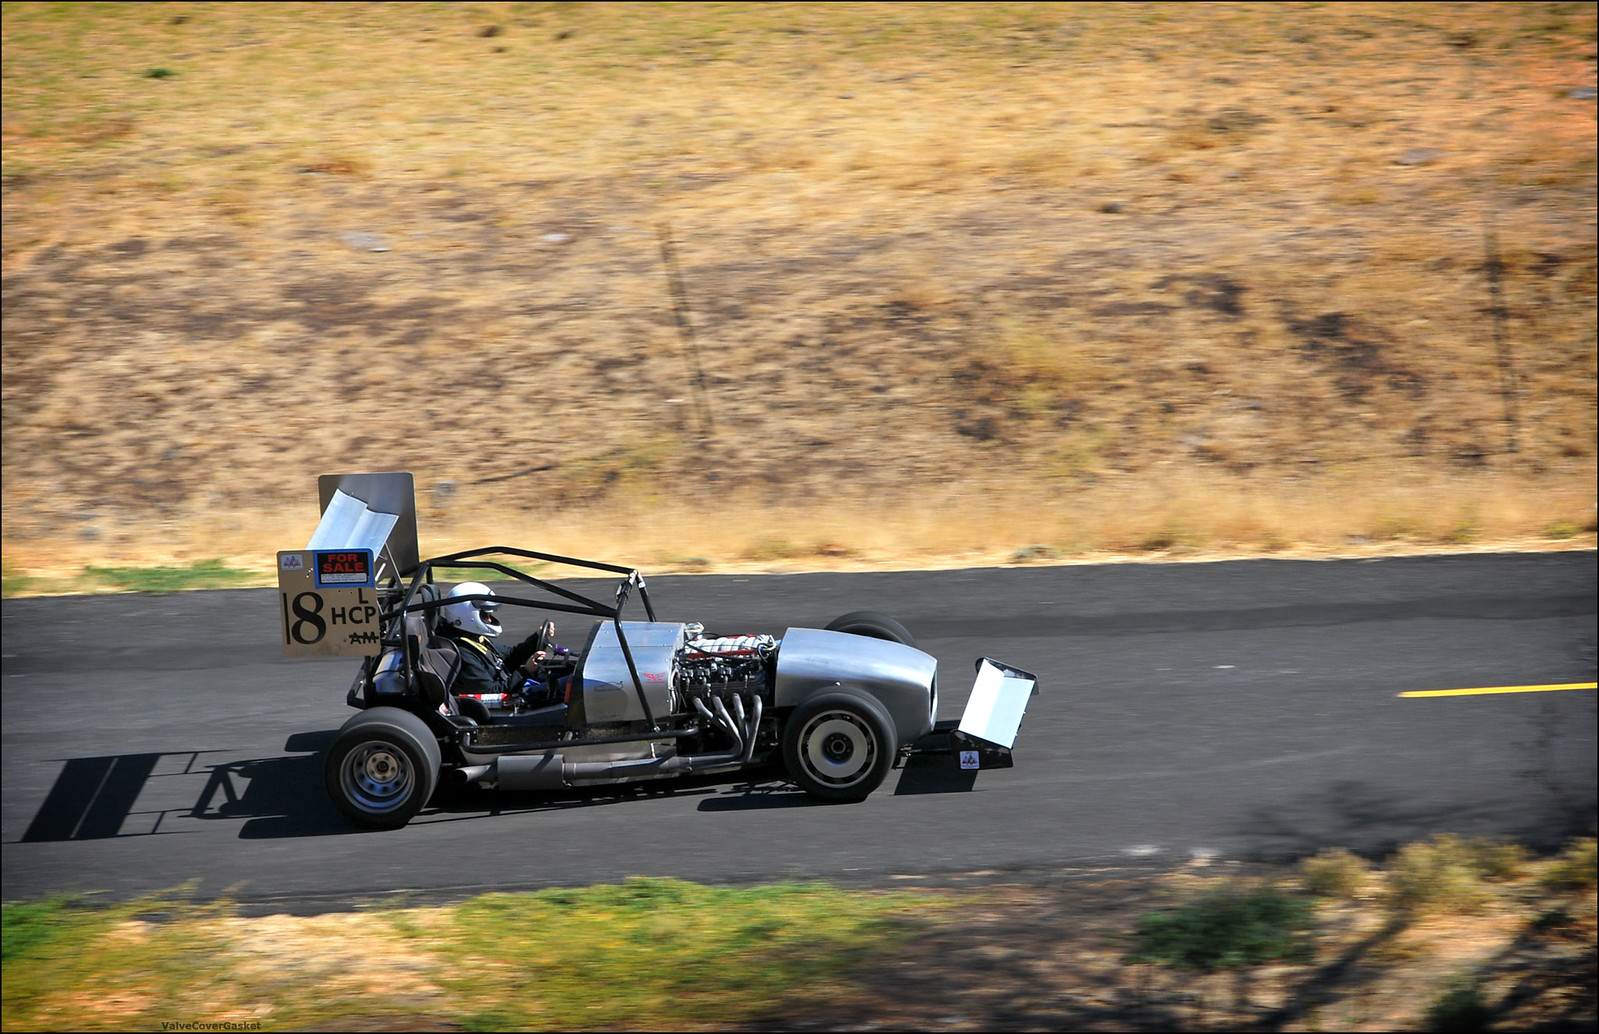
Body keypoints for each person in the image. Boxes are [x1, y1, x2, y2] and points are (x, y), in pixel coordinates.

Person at [435, 582, 558, 703]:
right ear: (467, 616)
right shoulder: (463, 653)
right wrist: (525, 671)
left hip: (509, 685)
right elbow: (491, 691)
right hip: (495, 706)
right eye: (485, 615)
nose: (489, 619)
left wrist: (537, 637)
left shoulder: (475, 639)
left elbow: (512, 655)